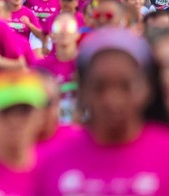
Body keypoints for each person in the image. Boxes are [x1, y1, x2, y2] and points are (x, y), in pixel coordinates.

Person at [35, 29, 169, 194]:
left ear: (147, 88)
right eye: (100, 87)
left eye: (125, 86)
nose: (112, 99)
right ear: (83, 90)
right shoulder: (52, 161)